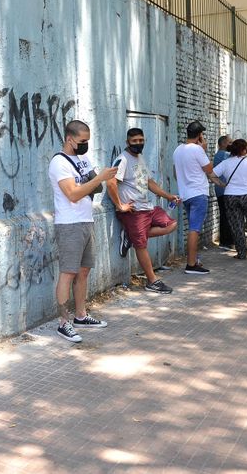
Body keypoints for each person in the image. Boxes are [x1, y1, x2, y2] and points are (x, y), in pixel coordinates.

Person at [48, 120, 117, 342]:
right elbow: (73, 194)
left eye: (87, 140)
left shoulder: (83, 159)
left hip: (86, 220)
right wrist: (97, 178)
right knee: (68, 273)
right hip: (69, 224)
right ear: (70, 139)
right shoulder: (59, 163)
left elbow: (94, 187)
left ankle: (80, 315)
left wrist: (98, 179)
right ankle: (63, 322)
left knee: (84, 270)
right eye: (82, 141)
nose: (85, 145)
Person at [107, 128, 179, 294]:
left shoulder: (139, 158)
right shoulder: (122, 159)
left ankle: (131, 236)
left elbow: (149, 182)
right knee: (141, 245)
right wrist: (120, 205)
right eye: (135, 141)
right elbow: (110, 183)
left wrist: (168, 196)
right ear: (127, 142)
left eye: (141, 140)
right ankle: (152, 281)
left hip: (148, 208)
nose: (138, 144)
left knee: (170, 224)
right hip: (134, 211)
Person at [172, 121, 227, 275]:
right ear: (200, 136)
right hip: (198, 194)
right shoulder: (197, 150)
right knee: (194, 229)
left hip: (186, 194)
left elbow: (176, 173)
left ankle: (194, 259)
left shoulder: (178, 150)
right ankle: (191, 264)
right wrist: (203, 150)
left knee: (192, 227)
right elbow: (210, 169)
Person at [213, 135, 233, 250]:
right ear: (224, 144)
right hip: (225, 189)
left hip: (220, 189)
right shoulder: (225, 155)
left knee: (224, 215)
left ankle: (225, 240)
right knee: (227, 215)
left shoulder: (218, 155)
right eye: (230, 142)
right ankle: (226, 241)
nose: (231, 145)